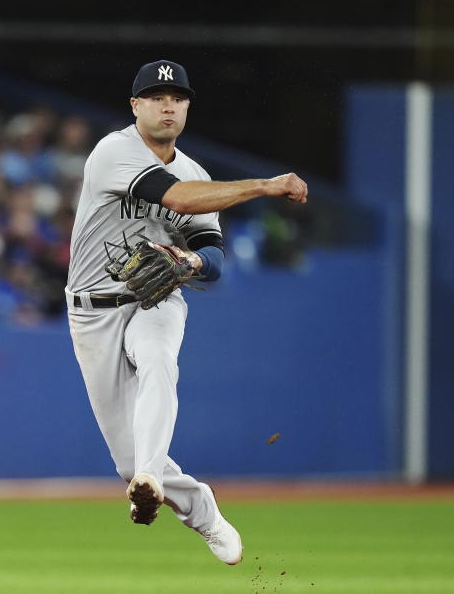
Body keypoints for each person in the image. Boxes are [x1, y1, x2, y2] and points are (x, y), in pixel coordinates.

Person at [65, 60, 307, 565]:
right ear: (135, 107)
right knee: (126, 462)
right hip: (93, 311)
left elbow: (214, 260)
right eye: (155, 96)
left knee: (158, 359)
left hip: (156, 300)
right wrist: (264, 185)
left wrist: (192, 259)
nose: (168, 104)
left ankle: (151, 478)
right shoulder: (114, 151)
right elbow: (176, 198)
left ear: (188, 106)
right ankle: (199, 508)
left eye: (177, 97)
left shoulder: (197, 172)